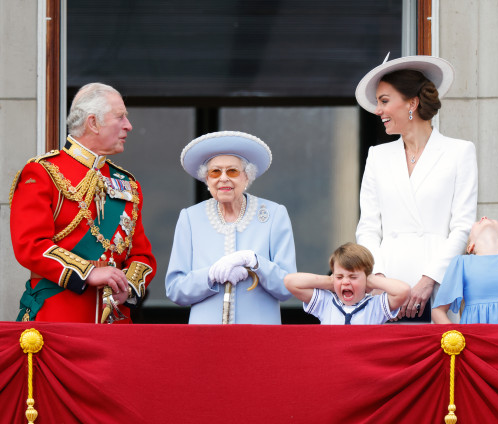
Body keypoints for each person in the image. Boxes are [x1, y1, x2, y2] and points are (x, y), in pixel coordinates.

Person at [9, 83, 156, 323]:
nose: (129, 126)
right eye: (120, 117)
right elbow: (30, 245)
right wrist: (89, 273)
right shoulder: (43, 172)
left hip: (115, 323)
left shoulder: (127, 183)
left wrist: (127, 286)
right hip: (58, 319)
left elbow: (142, 256)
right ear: (93, 123)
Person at [354, 55, 478, 322]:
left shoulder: (459, 152)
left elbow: (462, 226)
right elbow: (368, 227)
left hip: (438, 289)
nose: (378, 111)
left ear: (412, 102)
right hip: (386, 291)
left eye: (384, 101)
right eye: (378, 102)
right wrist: (380, 280)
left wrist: (429, 280)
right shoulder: (377, 156)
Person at [165, 131, 296, 324]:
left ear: (247, 177)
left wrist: (255, 262)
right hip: (206, 337)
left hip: (259, 336)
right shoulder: (190, 218)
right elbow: (175, 290)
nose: (223, 178)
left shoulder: (274, 215)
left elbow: (287, 288)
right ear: (207, 180)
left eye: (232, 171)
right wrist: (210, 275)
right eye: (215, 172)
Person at [284, 243, 410, 325]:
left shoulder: (375, 306)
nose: (345, 282)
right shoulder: (325, 302)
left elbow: (403, 291)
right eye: (339, 276)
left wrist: (372, 281)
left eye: (353, 277)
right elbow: (290, 282)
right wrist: (329, 281)